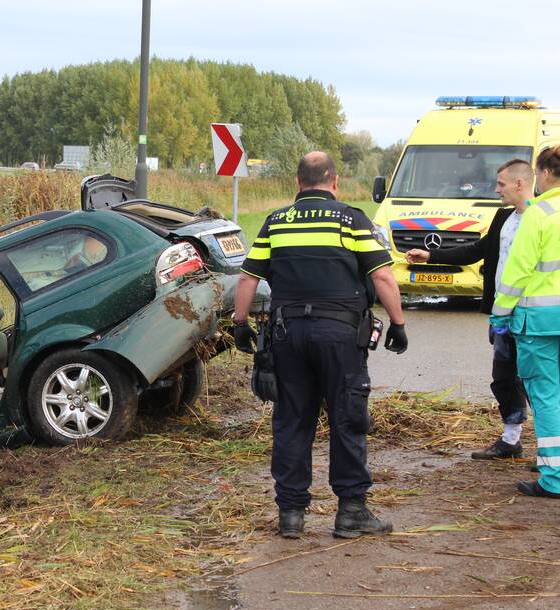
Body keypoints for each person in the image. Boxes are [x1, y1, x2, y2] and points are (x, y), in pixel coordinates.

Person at [232, 151, 408, 539]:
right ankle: (351, 512)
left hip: (287, 336)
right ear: (334, 181)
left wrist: (240, 324)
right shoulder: (351, 219)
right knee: (347, 418)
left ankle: (291, 515)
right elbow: (383, 278)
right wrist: (398, 323)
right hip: (340, 337)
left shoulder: (276, 222)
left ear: (298, 183)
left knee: (292, 421)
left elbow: (247, 280)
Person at [405, 160, 535, 462]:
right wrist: (430, 256)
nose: (496, 189)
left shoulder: (542, 218)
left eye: (501, 183)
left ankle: (550, 454)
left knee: (537, 381)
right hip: (503, 313)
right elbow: (476, 250)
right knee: (503, 377)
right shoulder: (503, 218)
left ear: (519, 183)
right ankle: (510, 440)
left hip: (533, 314)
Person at [490, 145, 560, 499]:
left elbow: (516, 273)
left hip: (540, 321)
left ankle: (554, 477)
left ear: (544, 175)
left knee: (547, 396)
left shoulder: (539, 213)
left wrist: (500, 314)